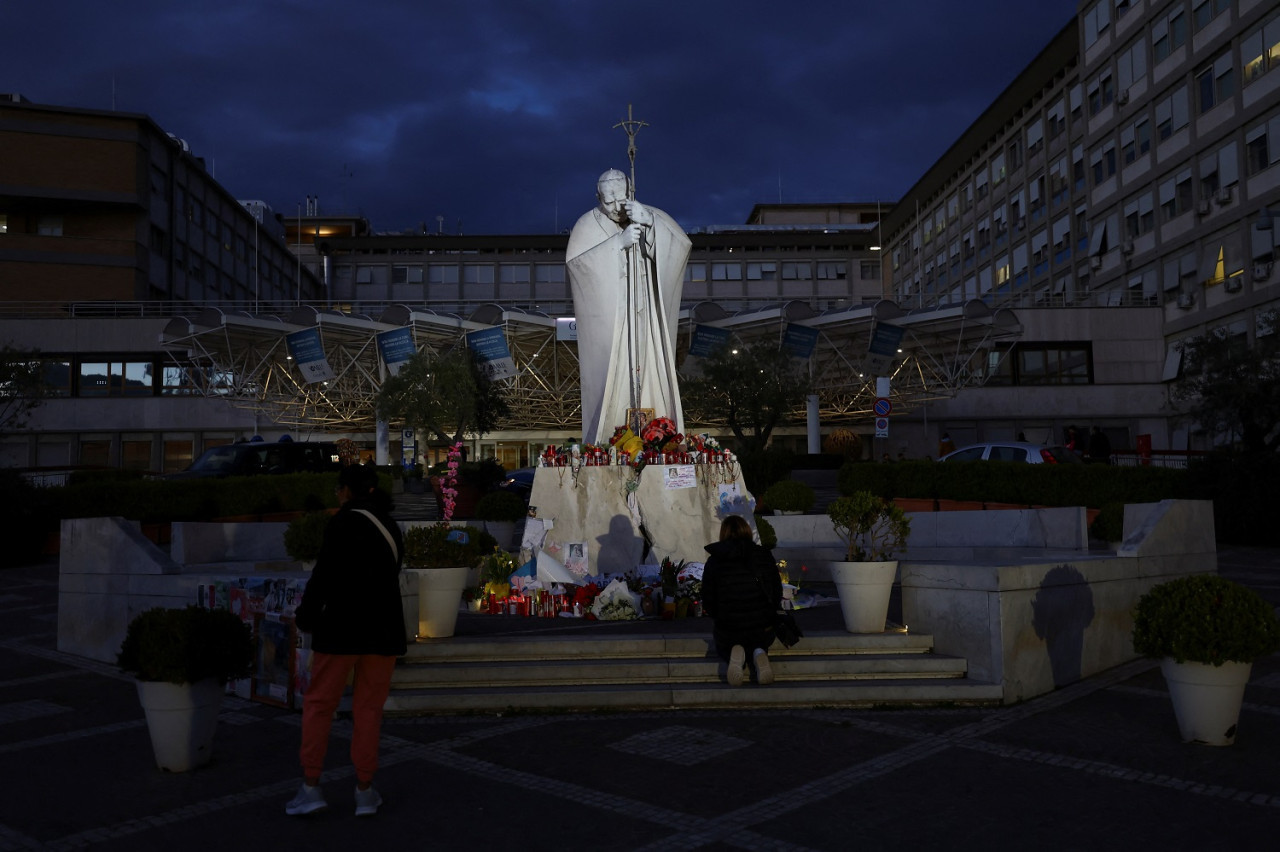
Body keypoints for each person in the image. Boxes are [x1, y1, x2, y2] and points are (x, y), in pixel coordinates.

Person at [286, 463, 406, 818]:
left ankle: (311, 785)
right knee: (368, 709)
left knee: (320, 704)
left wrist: (306, 618)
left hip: (340, 628)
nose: (336, 494)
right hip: (383, 629)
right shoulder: (390, 526)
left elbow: (322, 577)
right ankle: (365, 790)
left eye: (339, 489)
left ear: (347, 491)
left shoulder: (341, 523)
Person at [567, 169, 692, 445]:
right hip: (614, 319)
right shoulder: (586, 226)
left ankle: (660, 432)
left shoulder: (650, 214)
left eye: (620, 199)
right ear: (597, 196)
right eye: (608, 201)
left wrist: (650, 225)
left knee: (651, 370)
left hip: (646, 316)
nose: (615, 207)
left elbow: (681, 247)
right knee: (615, 377)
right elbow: (578, 267)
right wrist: (617, 246)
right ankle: (607, 439)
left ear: (630, 190)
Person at [700, 515, 783, 687]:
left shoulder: (715, 561)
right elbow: (776, 590)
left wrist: (719, 616)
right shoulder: (763, 556)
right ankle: (759, 651)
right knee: (759, 637)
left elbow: (708, 597)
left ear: (724, 533)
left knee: (725, 640)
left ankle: (734, 651)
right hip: (761, 624)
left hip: (729, 625)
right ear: (747, 530)